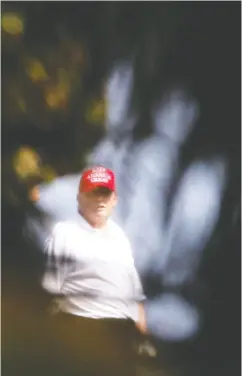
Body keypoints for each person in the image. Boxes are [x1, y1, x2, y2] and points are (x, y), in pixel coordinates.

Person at [41, 165, 145, 376]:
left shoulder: (121, 239)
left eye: (104, 194)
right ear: (80, 198)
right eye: (92, 194)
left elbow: (135, 297)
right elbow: (49, 290)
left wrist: (143, 337)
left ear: (114, 199)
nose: (99, 200)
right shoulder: (64, 233)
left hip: (119, 334)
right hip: (78, 327)